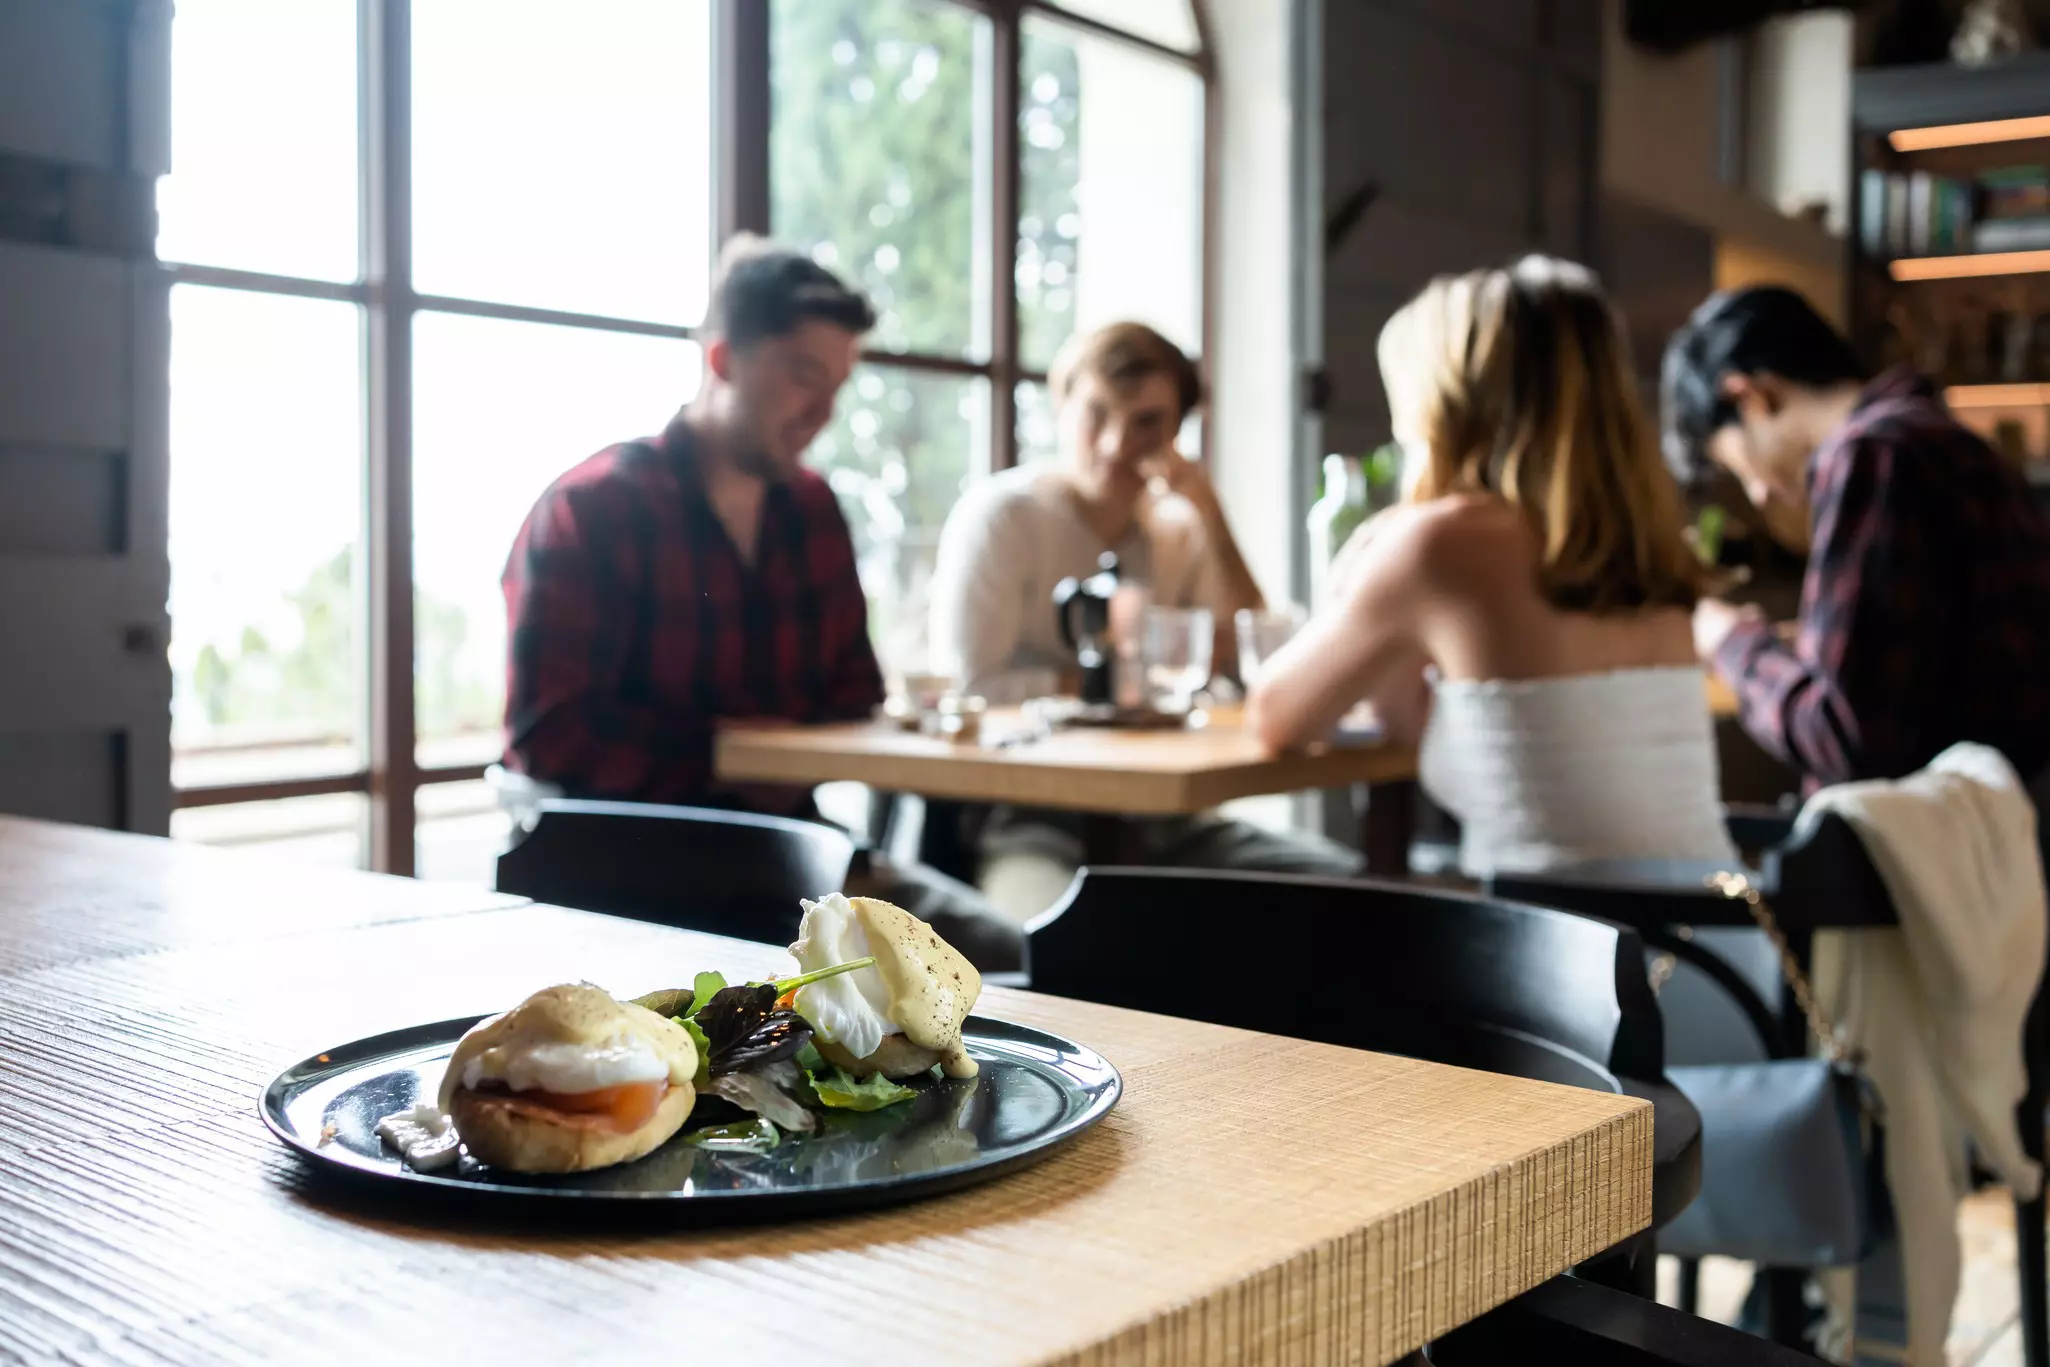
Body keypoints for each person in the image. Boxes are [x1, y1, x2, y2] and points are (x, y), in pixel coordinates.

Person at [501, 236, 1021, 969]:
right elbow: (550, 735)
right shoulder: (591, 509)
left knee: (1016, 959)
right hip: (626, 882)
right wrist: (724, 759)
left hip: (796, 869)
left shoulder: (813, 510)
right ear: (721, 359)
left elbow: (851, 692)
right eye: (805, 375)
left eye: (839, 385)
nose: (824, 411)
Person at [1247, 256, 1736, 877]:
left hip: (1574, 963)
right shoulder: (1639, 545)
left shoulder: (1437, 547)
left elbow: (1277, 716)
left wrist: (1365, 563)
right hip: (1716, 952)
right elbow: (1411, 722)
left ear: (1447, 403)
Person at [928, 321, 1361, 920]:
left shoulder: (1177, 532)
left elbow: (1252, 658)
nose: (1114, 443)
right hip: (1029, 815)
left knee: (1357, 897)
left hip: (1167, 821)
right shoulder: (1003, 518)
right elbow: (972, 688)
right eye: (1097, 413)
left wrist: (1210, 510)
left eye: (1147, 423)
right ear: (1062, 406)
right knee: (1060, 942)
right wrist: (1112, 693)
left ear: (1177, 433)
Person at [1662, 285, 2050, 793]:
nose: (1757, 493)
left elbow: (1845, 739)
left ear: (1753, 397)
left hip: (1922, 855)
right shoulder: (1952, 443)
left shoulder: (1871, 457)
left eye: (1737, 465)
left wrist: (1731, 643)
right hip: (1993, 840)